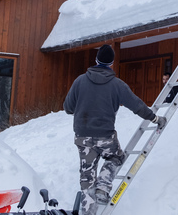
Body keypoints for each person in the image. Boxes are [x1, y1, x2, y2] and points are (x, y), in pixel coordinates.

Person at [64, 44, 167, 215]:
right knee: (116, 157)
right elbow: (137, 106)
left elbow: (68, 108)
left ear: (96, 60)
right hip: (105, 136)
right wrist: (155, 118)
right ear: (111, 63)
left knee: (87, 177)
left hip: (82, 137)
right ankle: (103, 188)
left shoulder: (80, 81)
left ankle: (88, 212)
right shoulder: (117, 85)